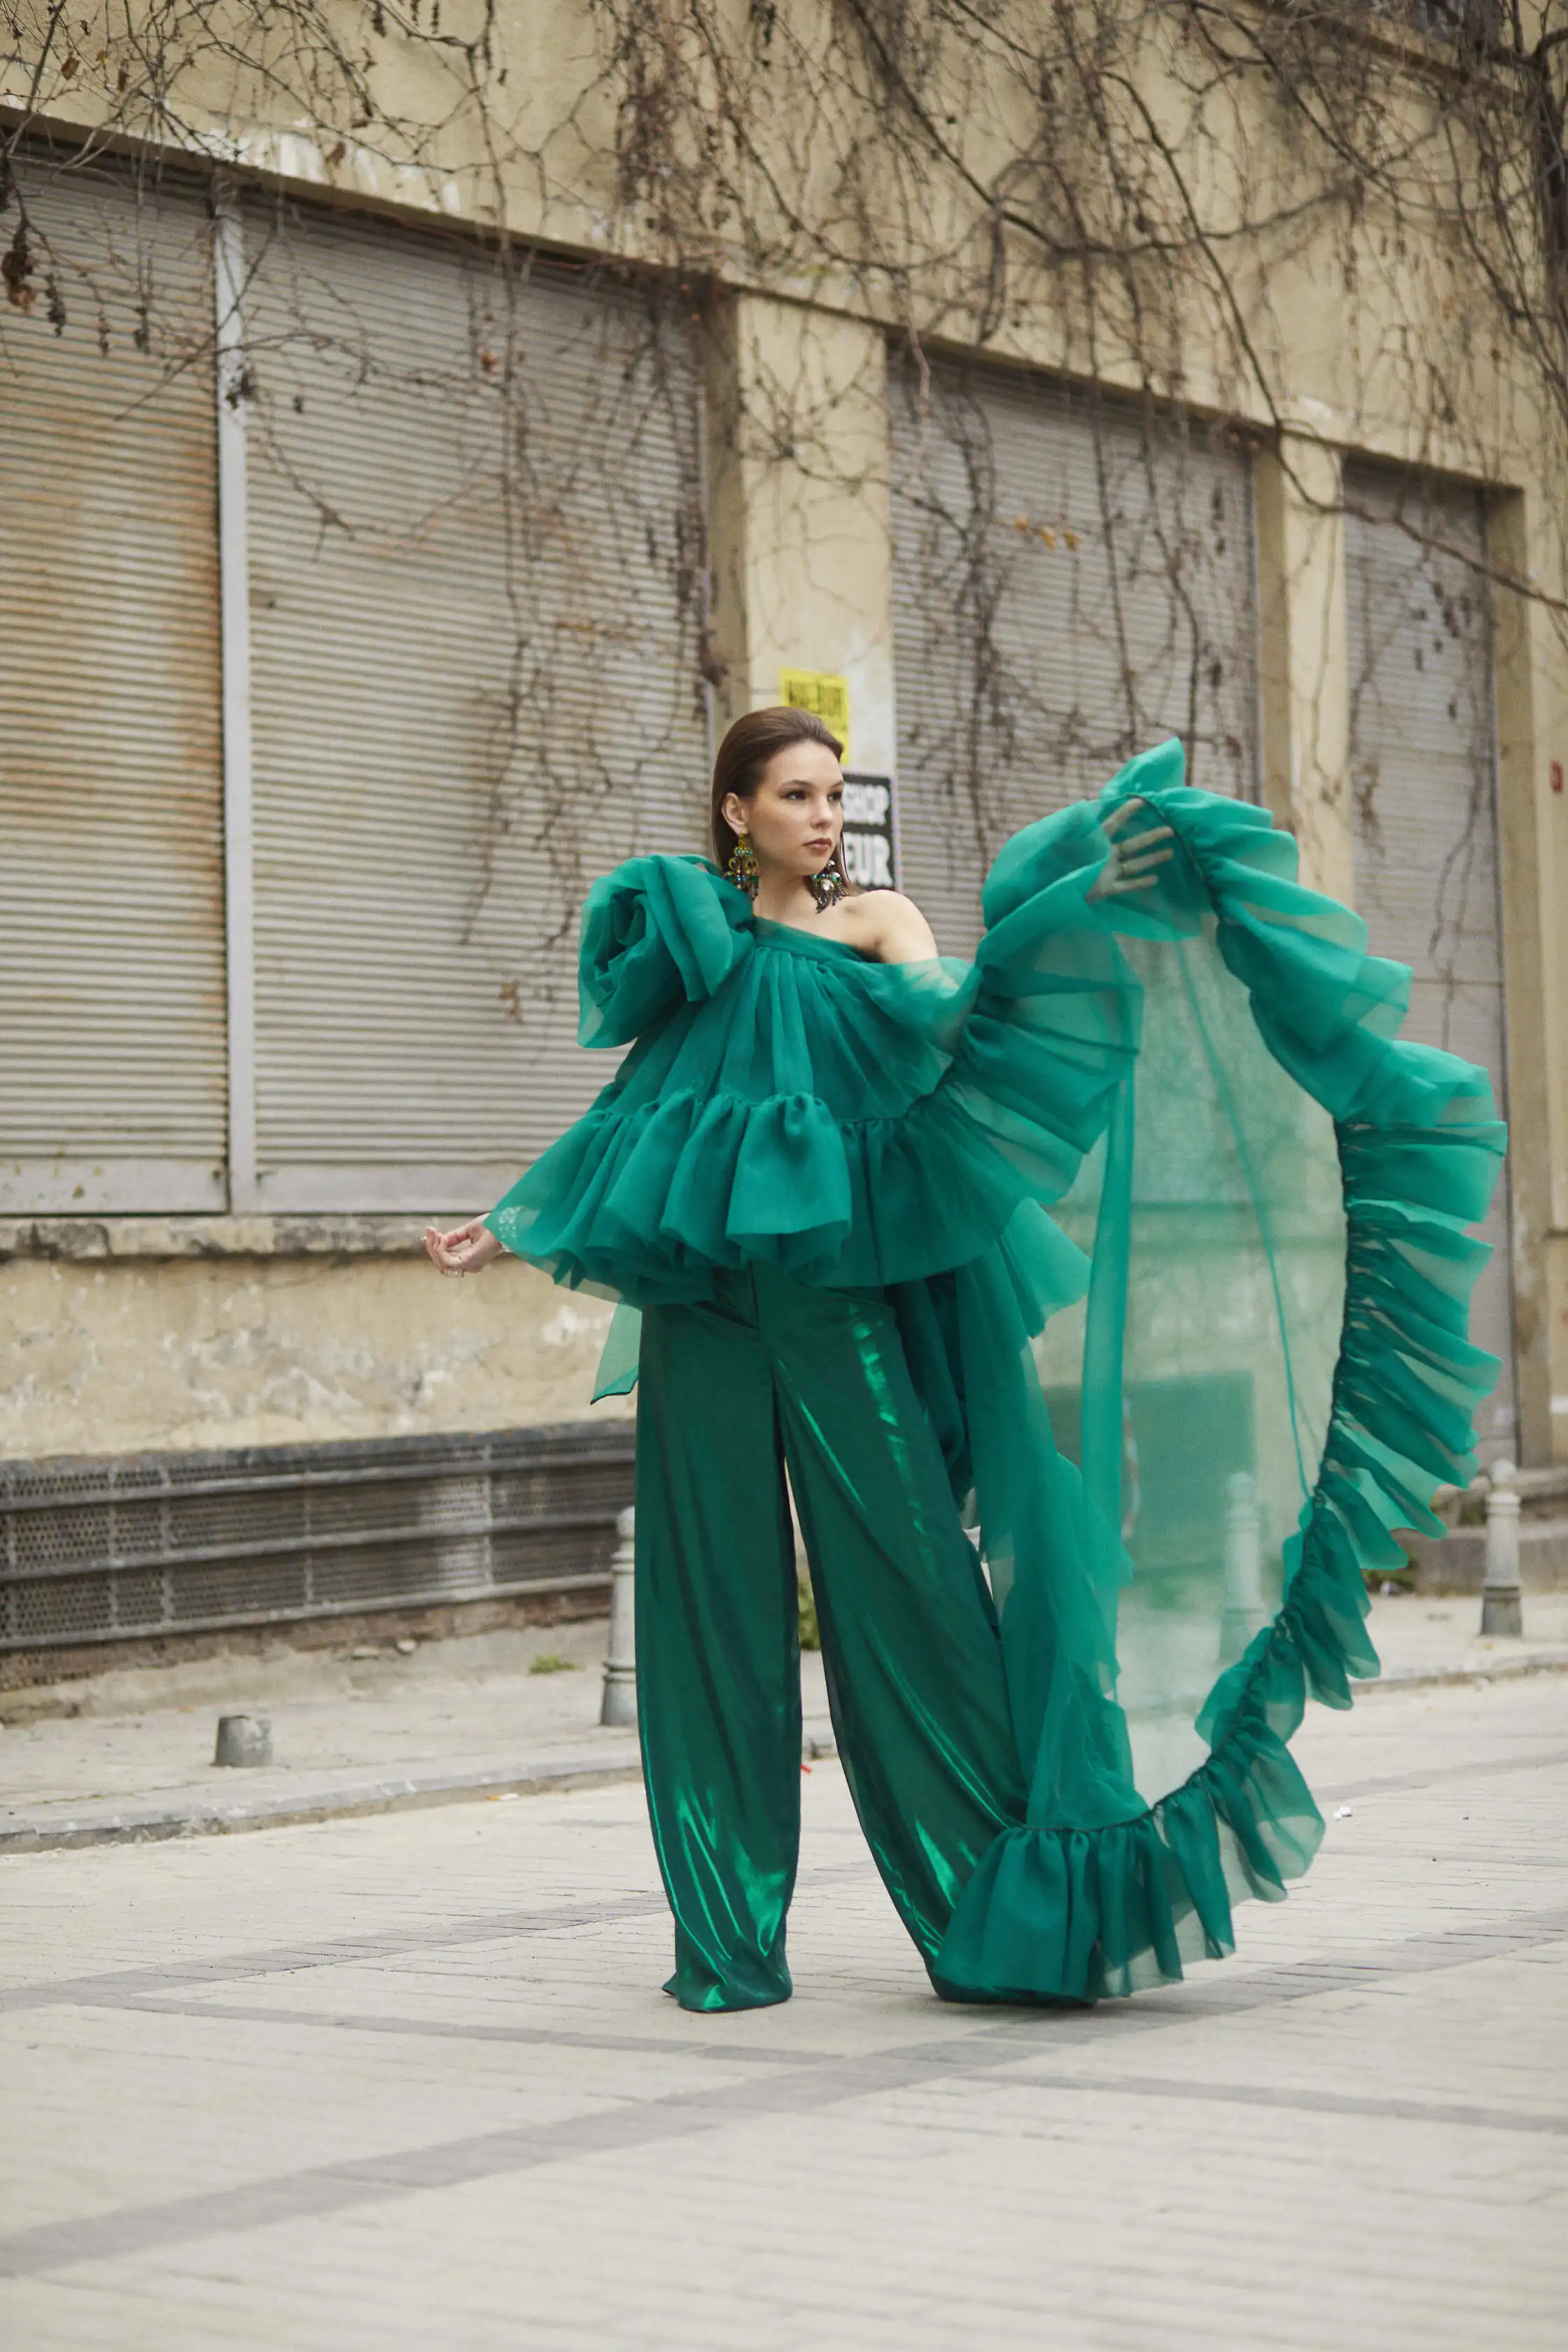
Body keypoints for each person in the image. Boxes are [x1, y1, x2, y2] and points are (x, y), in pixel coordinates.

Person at [425, 706, 1504, 2013]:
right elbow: (635, 1113)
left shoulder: (881, 925)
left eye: (832, 795)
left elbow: (959, 1044)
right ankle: (726, 1937)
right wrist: (511, 1220)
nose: (824, 817)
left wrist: (1079, 914)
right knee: (707, 1606)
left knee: (916, 1594)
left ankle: (999, 1910)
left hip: (837, 1305)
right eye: (795, 796)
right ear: (736, 814)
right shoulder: (699, 950)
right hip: (707, 1308)